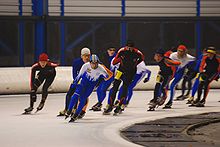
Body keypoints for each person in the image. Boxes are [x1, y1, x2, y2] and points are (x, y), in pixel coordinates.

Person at [66, 54, 113, 122]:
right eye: (92, 63)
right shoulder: (85, 65)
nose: (94, 65)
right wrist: (74, 83)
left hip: (91, 86)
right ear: (90, 62)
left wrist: (100, 81)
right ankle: (69, 110)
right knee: (75, 95)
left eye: (96, 63)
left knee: (83, 99)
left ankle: (76, 114)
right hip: (83, 83)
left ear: (98, 63)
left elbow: (107, 76)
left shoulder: (101, 68)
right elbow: (79, 75)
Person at [103, 40, 144, 115]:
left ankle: (120, 105)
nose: (129, 49)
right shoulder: (122, 51)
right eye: (128, 47)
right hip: (120, 71)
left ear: (133, 47)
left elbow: (142, 59)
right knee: (115, 87)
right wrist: (120, 59)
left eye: (131, 48)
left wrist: (135, 64)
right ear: (126, 46)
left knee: (125, 88)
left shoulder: (137, 52)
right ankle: (110, 105)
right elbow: (114, 61)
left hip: (130, 73)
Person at [57, 47, 91, 116]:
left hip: (86, 83)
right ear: (81, 56)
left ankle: (78, 110)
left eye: (88, 55)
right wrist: (76, 81)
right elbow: (74, 73)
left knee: (81, 96)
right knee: (69, 94)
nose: (87, 57)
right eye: (85, 55)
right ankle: (67, 109)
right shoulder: (76, 62)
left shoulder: (92, 63)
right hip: (77, 80)